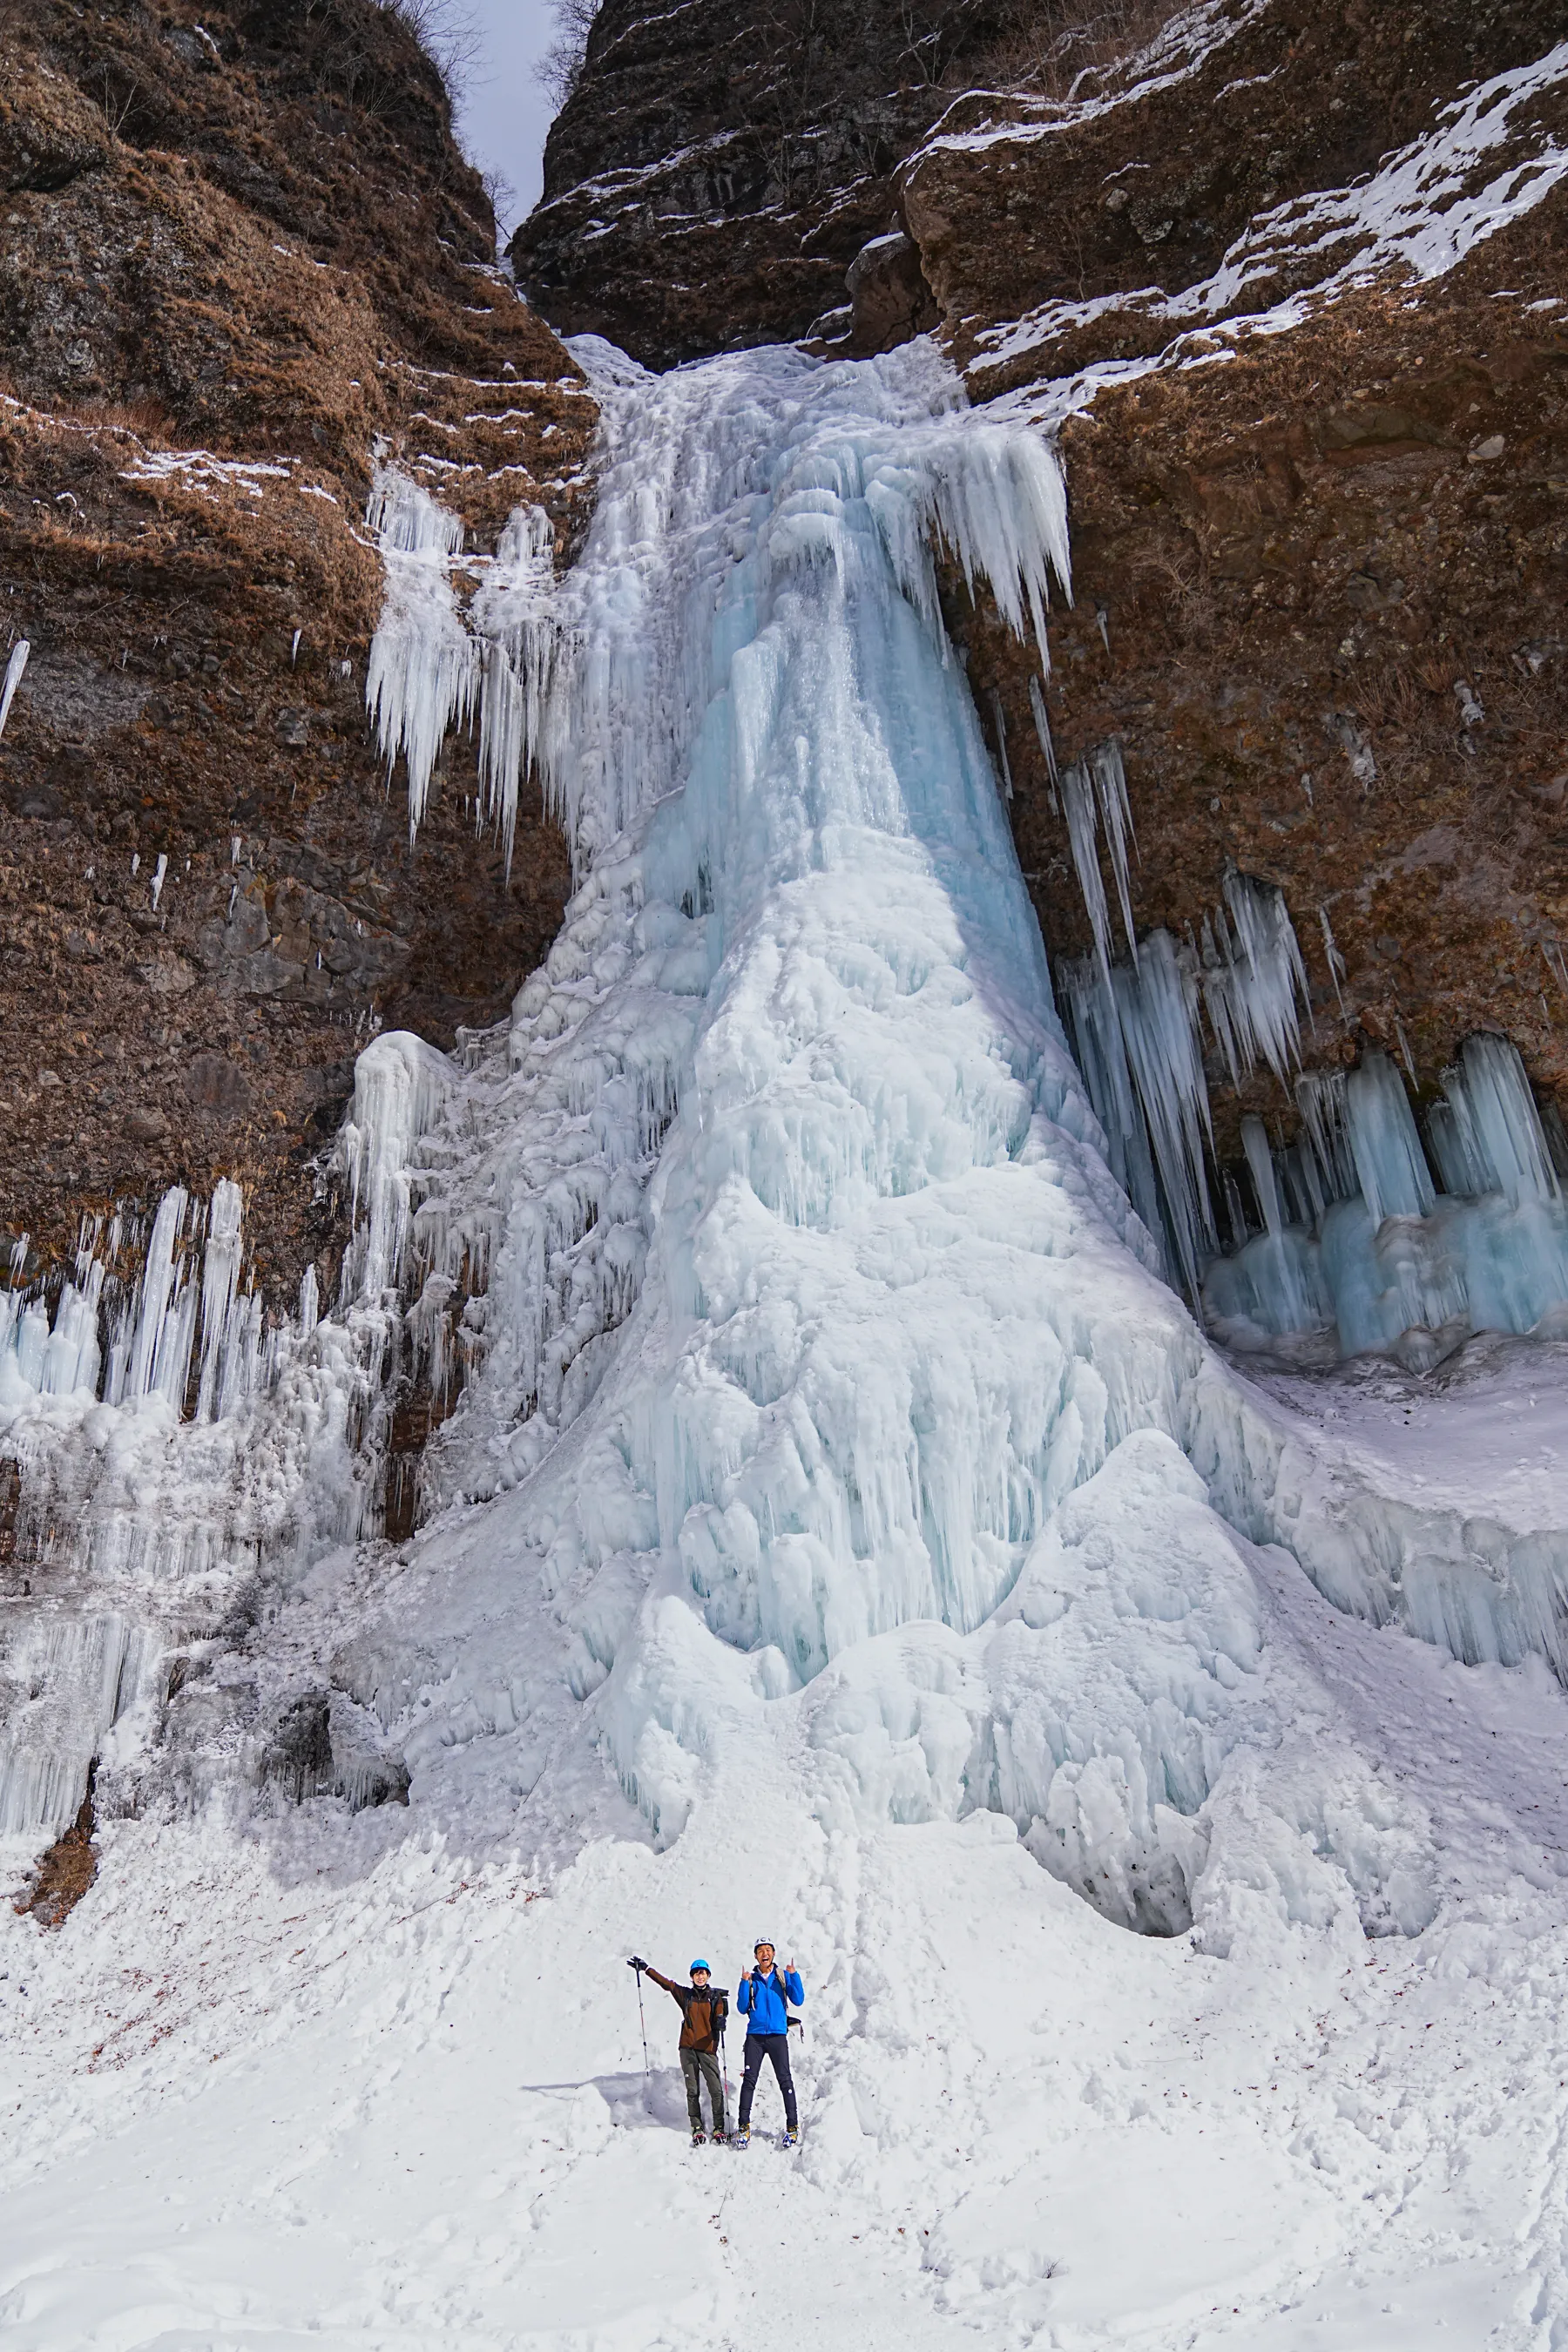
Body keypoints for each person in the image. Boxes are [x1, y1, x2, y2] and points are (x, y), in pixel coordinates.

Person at [629, 1955, 729, 2144]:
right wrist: (646, 1968)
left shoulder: (716, 1997)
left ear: (708, 1975)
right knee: (692, 2090)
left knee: (716, 2089)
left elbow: (720, 2014)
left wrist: (721, 2021)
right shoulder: (686, 1995)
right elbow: (667, 1984)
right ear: (692, 1977)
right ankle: (697, 2127)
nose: (700, 1976)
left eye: (703, 1973)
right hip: (688, 2049)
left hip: (708, 2049)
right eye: (696, 1973)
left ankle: (719, 2127)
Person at [733, 1938, 803, 2147]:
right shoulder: (751, 1978)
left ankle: (792, 2126)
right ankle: (743, 2127)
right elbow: (741, 2006)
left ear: (773, 1954)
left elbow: (798, 1999)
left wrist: (794, 1976)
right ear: (756, 1956)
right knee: (749, 2081)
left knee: (785, 2080)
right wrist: (745, 1983)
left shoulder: (781, 1976)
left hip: (777, 2036)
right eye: (761, 1951)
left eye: (768, 1950)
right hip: (755, 2036)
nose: (765, 1954)